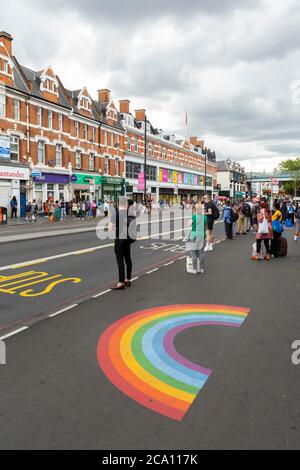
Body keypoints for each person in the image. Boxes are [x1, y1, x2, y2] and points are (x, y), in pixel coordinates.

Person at [110, 197, 136, 290]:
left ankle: (121, 282)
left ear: (118, 204)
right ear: (126, 204)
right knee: (128, 259)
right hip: (127, 240)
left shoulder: (116, 214)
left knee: (120, 261)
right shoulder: (130, 214)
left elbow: (110, 228)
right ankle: (128, 279)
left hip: (119, 241)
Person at [186, 203, 207, 274]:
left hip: (194, 235)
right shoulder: (205, 217)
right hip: (202, 236)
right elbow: (205, 227)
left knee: (193, 253)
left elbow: (188, 225)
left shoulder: (194, 217)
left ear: (195, 209)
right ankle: (201, 269)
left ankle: (194, 269)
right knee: (201, 253)